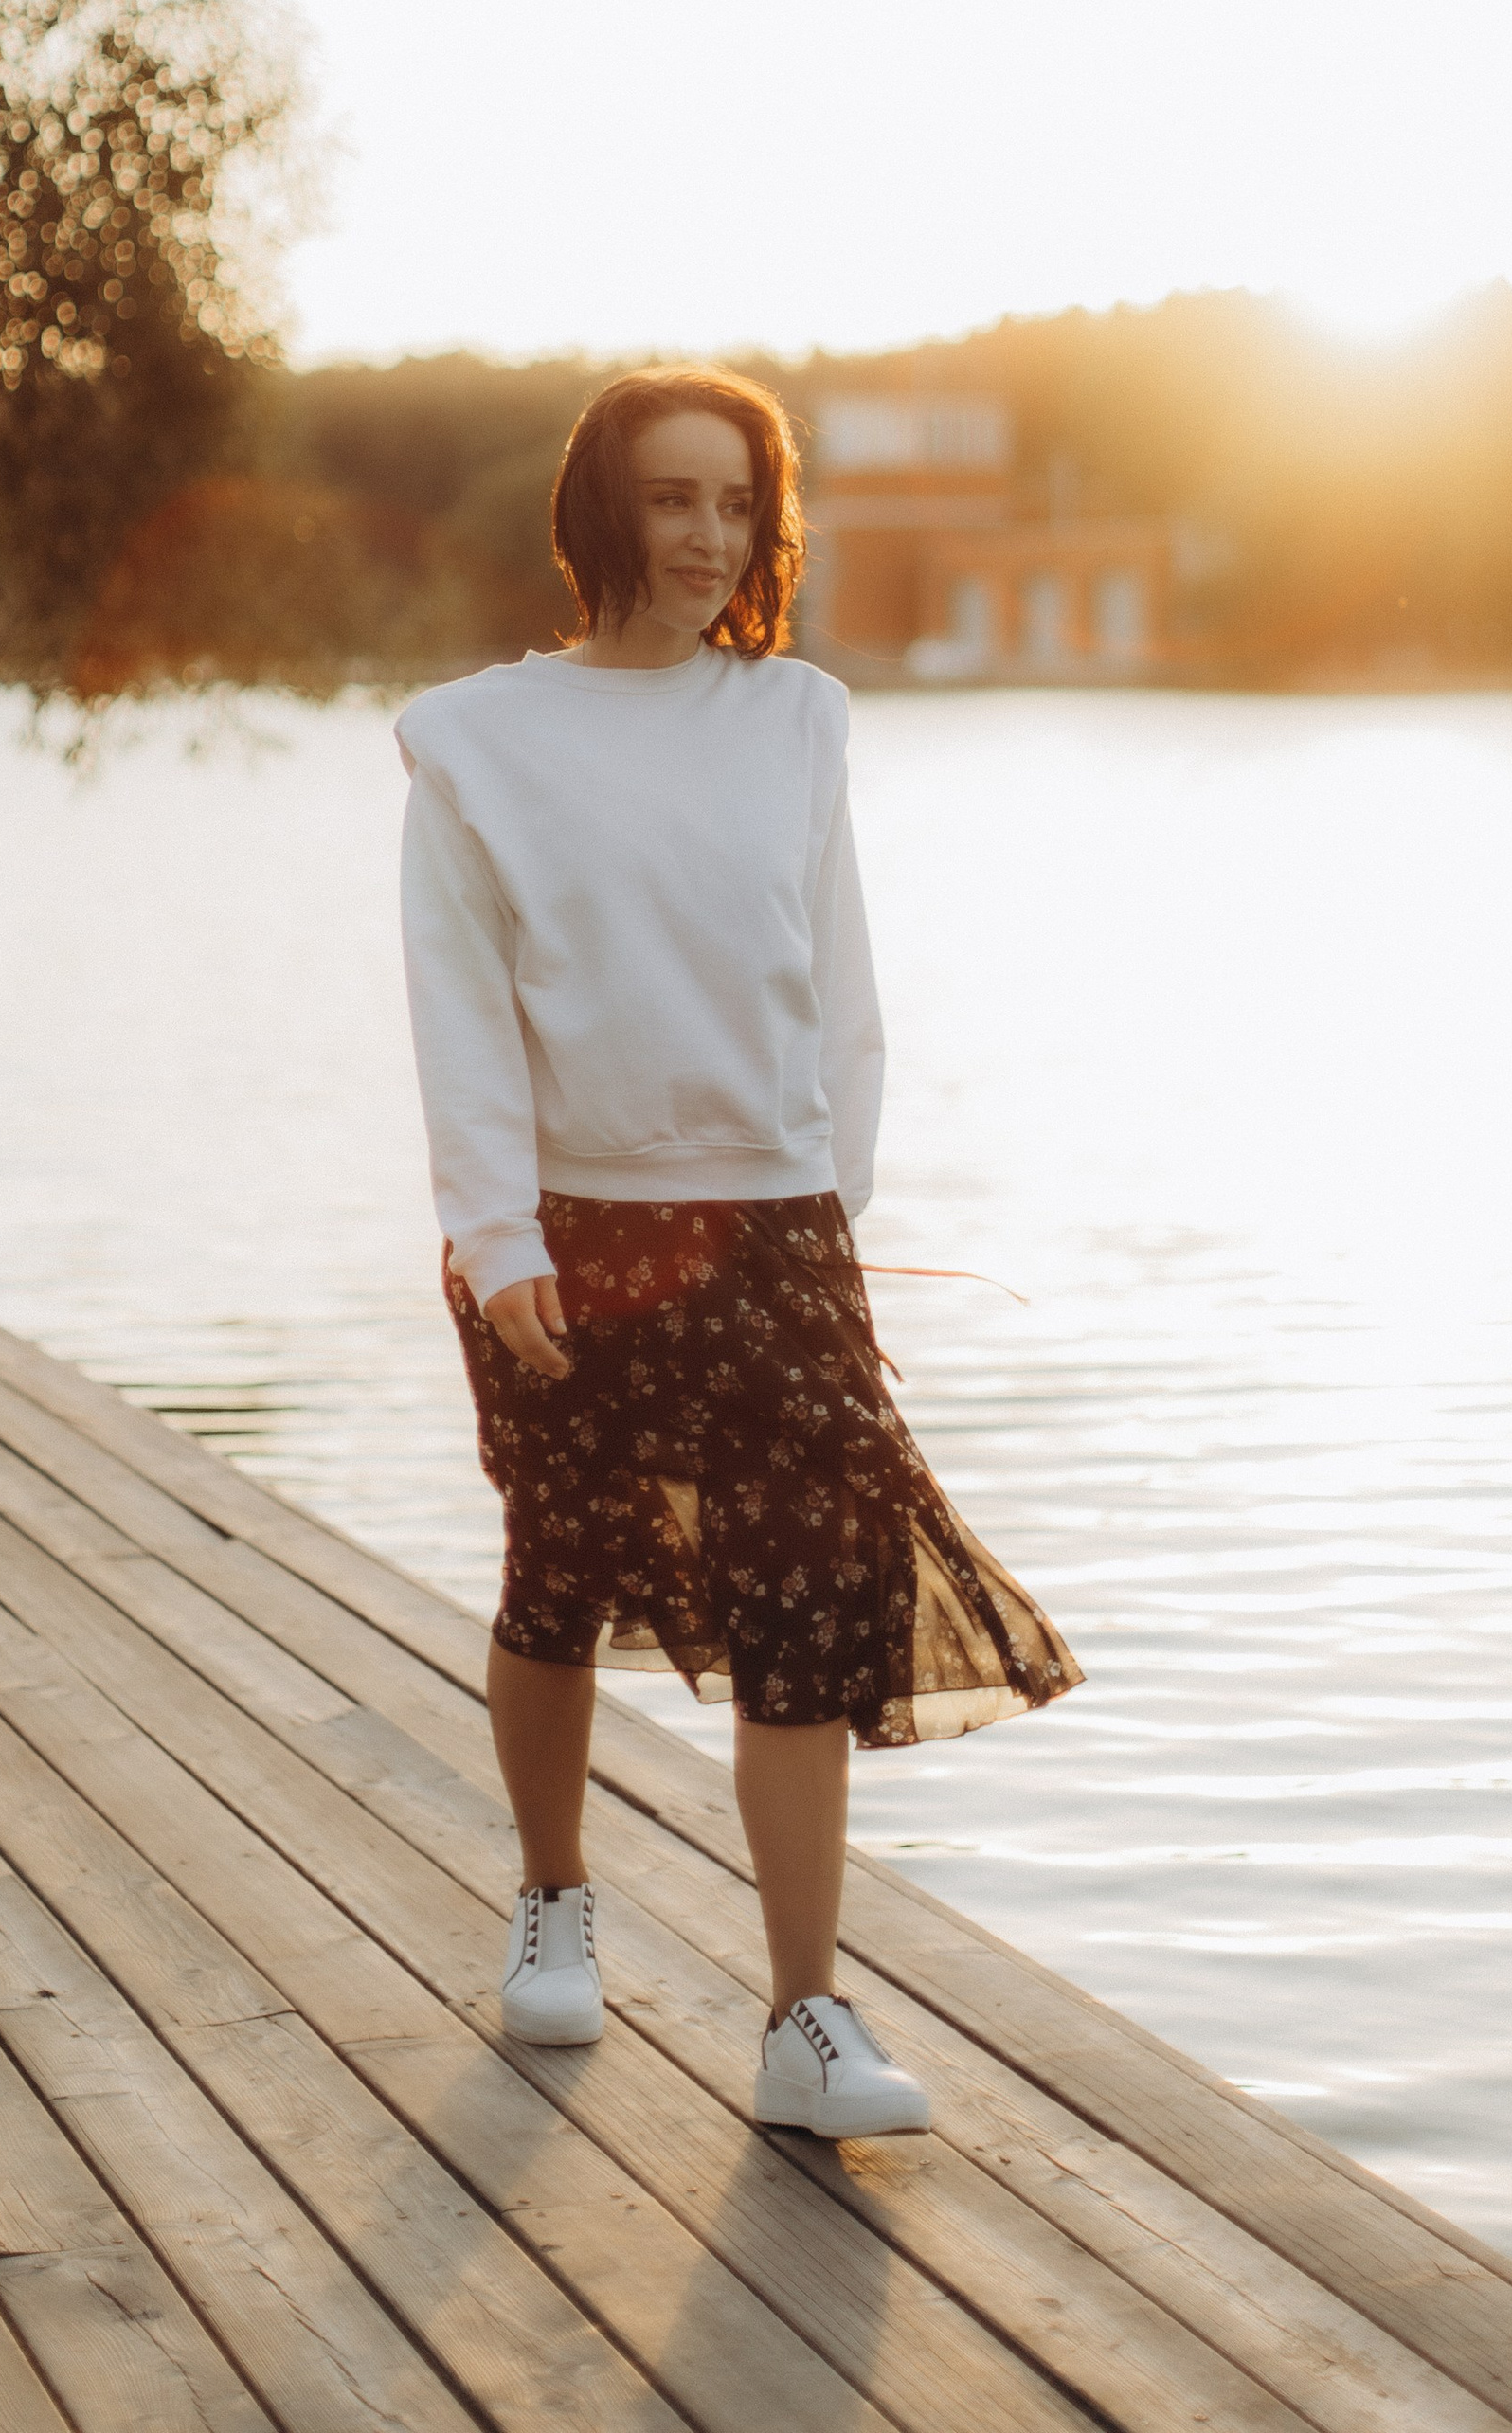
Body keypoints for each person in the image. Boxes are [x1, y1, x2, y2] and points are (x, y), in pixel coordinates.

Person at [395, 364, 1080, 2137]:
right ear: (601, 512)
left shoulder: (798, 720)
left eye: (737, 506)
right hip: (561, 1229)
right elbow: (461, 1014)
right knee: (562, 1570)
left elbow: (840, 986)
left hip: (774, 1228)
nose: (709, 539)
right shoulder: (479, 741)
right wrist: (491, 1230)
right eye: (675, 499)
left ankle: (803, 2019)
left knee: (803, 1606)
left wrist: (823, 1196)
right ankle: (554, 1898)